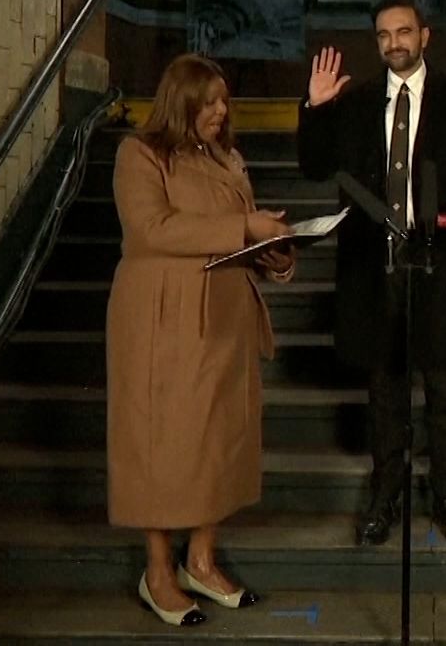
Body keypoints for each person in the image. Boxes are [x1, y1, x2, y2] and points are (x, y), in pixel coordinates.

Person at [297, 0, 446, 547]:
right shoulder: (355, 102)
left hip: (440, 266)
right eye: (384, 35)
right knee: (385, 395)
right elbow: (314, 166)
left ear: (425, 36)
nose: (394, 42)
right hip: (373, 271)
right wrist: (316, 107)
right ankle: (384, 497)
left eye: (404, 31)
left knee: (444, 395)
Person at [107, 54, 296, 627]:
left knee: (219, 439)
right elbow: (153, 229)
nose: (220, 111)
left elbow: (242, 237)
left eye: (224, 100)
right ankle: (157, 571)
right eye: (208, 101)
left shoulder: (227, 158)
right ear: (181, 101)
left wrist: (275, 253)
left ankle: (202, 560)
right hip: (163, 319)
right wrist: (245, 227)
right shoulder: (140, 154)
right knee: (162, 441)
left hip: (225, 319)